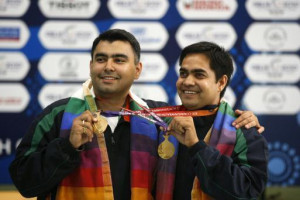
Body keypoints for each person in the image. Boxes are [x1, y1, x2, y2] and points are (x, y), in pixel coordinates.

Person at [9, 29, 262, 200]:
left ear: (137, 69)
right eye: (101, 59)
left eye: (119, 59)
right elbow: (25, 183)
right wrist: (66, 147)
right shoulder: (58, 116)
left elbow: (208, 116)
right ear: (90, 66)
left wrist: (245, 121)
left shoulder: (158, 119)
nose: (108, 66)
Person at [168, 41, 268, 200]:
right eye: (183, 73)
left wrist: (197, 147)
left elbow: (248, 191)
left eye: (199, 74)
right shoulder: (161, 120)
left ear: (221, 82)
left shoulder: (244, 131)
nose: (187, 81)